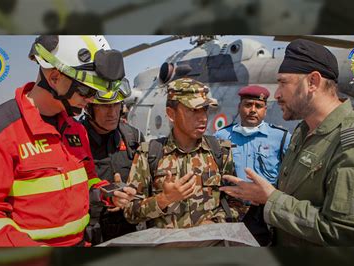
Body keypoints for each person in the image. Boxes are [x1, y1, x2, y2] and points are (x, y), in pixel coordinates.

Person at [0, 35, 136, 247]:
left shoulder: (76, 130)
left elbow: (87, 181)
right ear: (54, 78)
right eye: (86, 90)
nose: (90, 99)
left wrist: (109, 192)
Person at [220, 39, 354, 246]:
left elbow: (345, 234)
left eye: (283, 82)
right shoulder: (303, 131)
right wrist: (261, 195)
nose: (277, 94)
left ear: (313, 82)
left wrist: (271, 199)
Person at [124, 78, 238, 228]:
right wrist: (164, 199)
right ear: (171, 114)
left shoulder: (220, 151)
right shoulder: (149, 154)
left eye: (205, 110)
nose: (203, 118)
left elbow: (236, 201)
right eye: (193, 110)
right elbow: (130, 212)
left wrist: (215, 222)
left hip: (209, 245)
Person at [81, 83, 145, 245]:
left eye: (116, 105)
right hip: (92, 232)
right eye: (104, 106)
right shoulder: (75, 140)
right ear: (89, 108)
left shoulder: (133, 137)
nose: (112, 113)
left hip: (129, 229)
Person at [214, 85, 290, 185]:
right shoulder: (221, 136)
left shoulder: (281, 138)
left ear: (265, 110)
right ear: (239, 107)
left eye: (258, 106)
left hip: (266, 200)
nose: (253, 110)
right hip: (232, 199)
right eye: (248, 105)